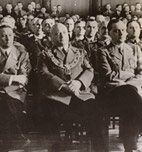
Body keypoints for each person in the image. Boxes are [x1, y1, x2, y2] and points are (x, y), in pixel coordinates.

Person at [37, 23, 107, 151]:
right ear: (51, 37)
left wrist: (79, 82)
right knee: (49, 118)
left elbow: (89, 70)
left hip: (80, 94)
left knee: (97, 115)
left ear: (68, 34)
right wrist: (63, 85)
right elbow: (43, 73)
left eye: (63, 32)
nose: (61, 36)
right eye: (57, 33)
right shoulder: (45, 55)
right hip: (57, 96)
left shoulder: (80, 52)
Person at [0, 23, 31, 149]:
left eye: (10, 35)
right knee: (0, 101)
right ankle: (15, 138)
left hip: (16, 92)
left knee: (3, 104)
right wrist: (13, 78)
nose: (8, 39)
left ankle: (4, 142)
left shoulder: (22, 54)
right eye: (3, 36)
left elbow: (24, 78)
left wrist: (3, 79)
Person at [97, 19, 142, 152]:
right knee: (131, 99)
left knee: (130, 102)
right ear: (110, 33)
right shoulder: (103, 51)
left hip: (132, 91)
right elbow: (108, 75)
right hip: (112, 93)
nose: (121, 33)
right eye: (116, 31)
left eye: (122, 30)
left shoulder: (134, 49)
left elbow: (140, 73)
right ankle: (130, 146)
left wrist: (129, 82)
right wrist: (129, 75)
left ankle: (129, 147)